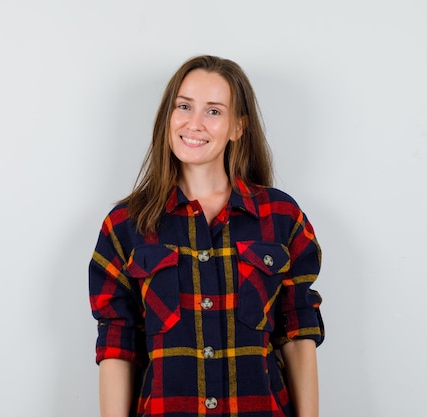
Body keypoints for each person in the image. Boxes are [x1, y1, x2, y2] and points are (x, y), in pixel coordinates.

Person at [89, 55, 324, 417]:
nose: (194, 123)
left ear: (237, 127)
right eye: (184, 106)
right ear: (169, 116)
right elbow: (118, 346)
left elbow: (297, 333)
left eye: (213, 111)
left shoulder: (281, 218)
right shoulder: (125, 225)